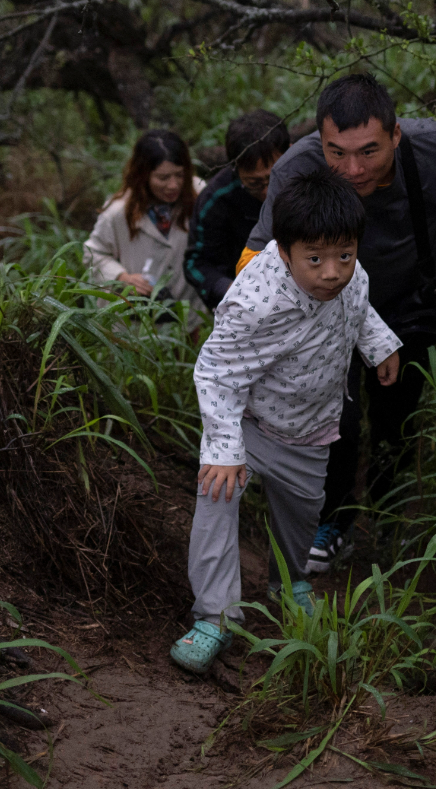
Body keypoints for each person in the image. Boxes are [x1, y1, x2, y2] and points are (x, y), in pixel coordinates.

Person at [238, 74, 436, 572]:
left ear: (395, 135)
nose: (352, 169)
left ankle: (388, 519)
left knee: (397, 420)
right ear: (319, 141)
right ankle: (334, 522)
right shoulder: (298, 169)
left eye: (368, 151)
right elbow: (257, 252)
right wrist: (246, 323)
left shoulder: (430, 144)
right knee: (336, 421)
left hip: (410, 299)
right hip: (325, 312)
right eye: (337, 152)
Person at [172, 168, 400, 674]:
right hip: (249, 426)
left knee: (300, 518)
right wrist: (227, 451)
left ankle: (289, 581)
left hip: (311, 429)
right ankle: (214, 617)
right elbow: (216, 373)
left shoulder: (351, 275)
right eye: (314, 259)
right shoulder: (255, 302)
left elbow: (359, 308)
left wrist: (379, 345)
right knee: (216, 499)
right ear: (283, 250)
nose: (332, 272)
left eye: (344, 254)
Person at [84, 129, 206, 331]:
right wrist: (122, 277)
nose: (173, 185)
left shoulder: (197, 194)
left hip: (185, 310)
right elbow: (92, 254)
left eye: (179, 175)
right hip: (132, 322)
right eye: (163, 178)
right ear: (143, 175)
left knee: (185, 360)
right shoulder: (118, 213)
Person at [184, 109, 290, 309]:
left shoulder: (311, 174)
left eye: (275, 178)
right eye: (255, 183)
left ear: (290, 152)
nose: (268, 192)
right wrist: (231, 290)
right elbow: (197, 264)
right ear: (235, 168)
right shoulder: (216, 199)